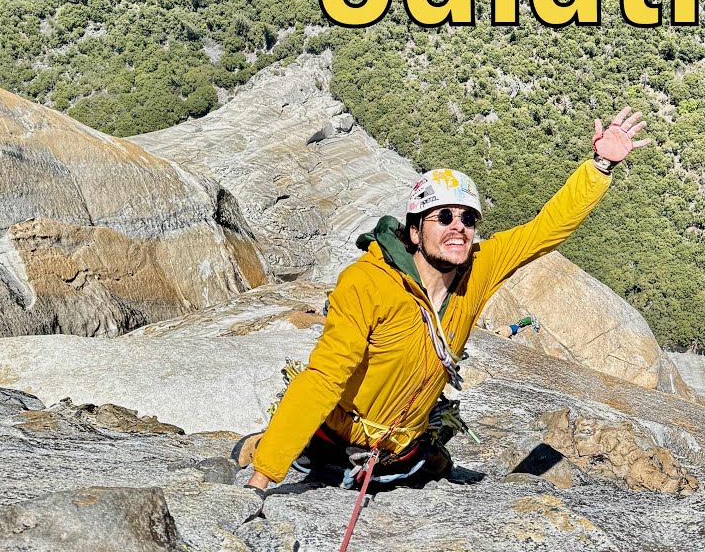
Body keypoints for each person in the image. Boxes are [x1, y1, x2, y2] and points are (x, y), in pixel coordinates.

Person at [238, 106, 651, 491]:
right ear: (415, 231)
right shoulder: (367, 283)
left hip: (403, 448)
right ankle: (258, 446)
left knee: (438, 468)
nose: (459, 227)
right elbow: (326, 377)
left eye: (468, 218)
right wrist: (262, 479)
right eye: (444, 216)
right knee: (299, 460)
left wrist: (600, 167)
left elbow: (544, 230)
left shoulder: (478, 267)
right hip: (336, 439)